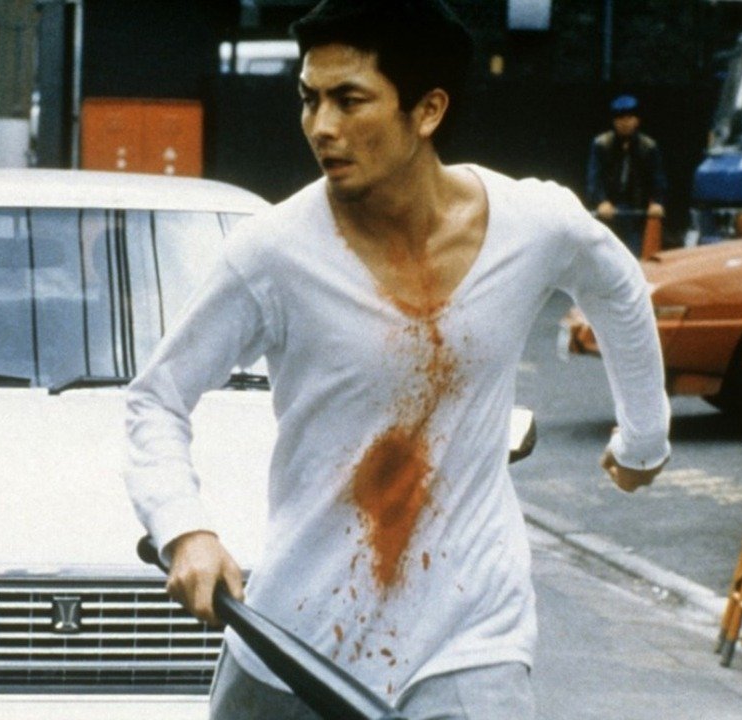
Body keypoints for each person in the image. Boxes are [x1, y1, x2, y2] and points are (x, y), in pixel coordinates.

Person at [124, 0, 670, 718]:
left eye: (350, 100)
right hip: (295, 638)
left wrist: (644, 438)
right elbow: (156, 399)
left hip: (469, 636)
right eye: (309, 99)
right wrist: (184, 530)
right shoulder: (272, 254)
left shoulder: (531, 223)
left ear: (428, 110)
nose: (321, 126)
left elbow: (619, 286)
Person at [585, 94, 667, 257]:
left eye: (629, 118)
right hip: (607, 212)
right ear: (614, 121)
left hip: (635, 211)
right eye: (620, 118)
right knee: (604, 255)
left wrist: (657, 202)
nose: (625, 122)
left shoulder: (648, 147)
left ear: (637, 120)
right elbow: (594, 178)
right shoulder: (601, 144)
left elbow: (658, 179)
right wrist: (601, 201)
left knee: (631, 254)